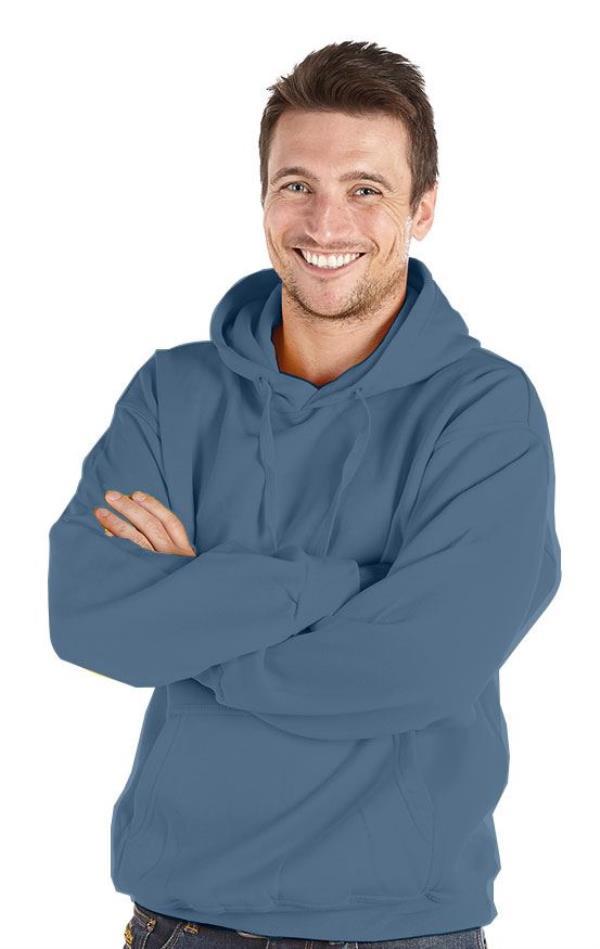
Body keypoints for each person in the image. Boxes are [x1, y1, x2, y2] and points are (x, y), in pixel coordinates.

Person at [47, 40, 561, 949]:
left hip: (396, 931)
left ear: (423, 207)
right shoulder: (173, 393)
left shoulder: (486, 413)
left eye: (366, 188)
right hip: (177, 922)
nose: (326, 221)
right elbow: (85, 613)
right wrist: (338, 588)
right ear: (263, 198)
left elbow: (419, 664)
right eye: (297, 185)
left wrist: (197, 616)